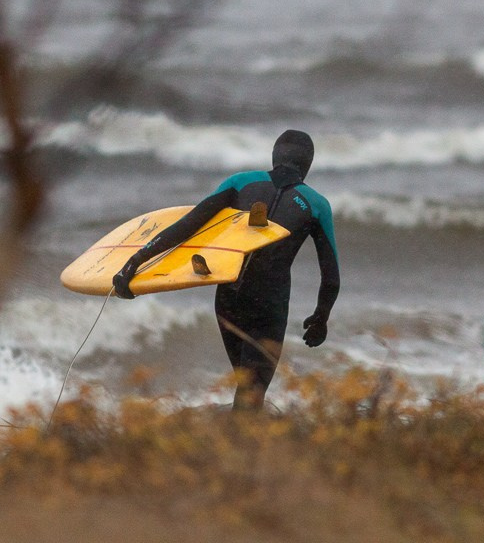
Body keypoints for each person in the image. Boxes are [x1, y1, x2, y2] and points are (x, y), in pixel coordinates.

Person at [113, 129, 340, 410]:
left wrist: (135, 262)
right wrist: (320, 317)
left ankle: (234, 432)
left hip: (229, 300)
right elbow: (331, 277)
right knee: (252, 393)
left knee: (246, 385)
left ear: (274, 157)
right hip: (269, 303)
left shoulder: (241, 183)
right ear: (308, 164)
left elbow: (188, 225)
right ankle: (241, 434)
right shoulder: (317, 205)